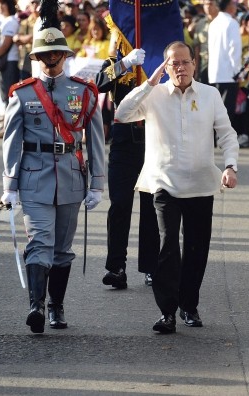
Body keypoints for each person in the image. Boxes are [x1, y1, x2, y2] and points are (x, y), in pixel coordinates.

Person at [114, 41, 239, 334]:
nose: (180, 68)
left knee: (196, 248)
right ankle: (167, 311)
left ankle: (189, 305)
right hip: (163, 183)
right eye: (173, 63)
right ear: (165, 67)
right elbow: (122, 113)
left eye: (185, 62)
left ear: (194, 64)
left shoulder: (209, 95)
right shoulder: (154, 94)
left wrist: (231, 165)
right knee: (167, 245)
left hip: (200, 184)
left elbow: (227, 133)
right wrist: (149, 83)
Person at [0, 1, 105, 334]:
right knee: (39, 243)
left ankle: (56, 305)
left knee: (62, 250)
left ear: (64, 55)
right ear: (37, 58)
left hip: (71, 177)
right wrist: (9, 186)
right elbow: (12, 141)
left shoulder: (84, 92)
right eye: (44, 55)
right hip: (34, 177)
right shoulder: (23, 94)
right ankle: (36, 306)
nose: (50, 60)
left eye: (55, 54)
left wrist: (97, 183)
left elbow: (96, 139)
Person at [95, 48, 160, 289]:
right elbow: (98, 84)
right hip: (124, 141)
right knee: (120, 205)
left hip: (154, 139)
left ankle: (152, 266)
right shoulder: (115, 62)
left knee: (151, 207)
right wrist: (125, 63)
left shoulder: (159, 57)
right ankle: (116, 267)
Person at [207, 0, 242, 130]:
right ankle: (225, 139)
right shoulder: (232, 23)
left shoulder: (213, 23)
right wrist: (238, 71)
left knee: (215, 109)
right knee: (227, 110)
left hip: (214, 73)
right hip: (229, 73)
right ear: (229, 6)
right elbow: (234, 50)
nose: (236, 6)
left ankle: (215, 138)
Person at [0, 0, 20, 139]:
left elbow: (6, 43)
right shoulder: (3, 21)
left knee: (9, 96)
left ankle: (8, 128)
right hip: (3, 62)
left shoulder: (11, 21)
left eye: (3, 3)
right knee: (4, 96)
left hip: (9, 62)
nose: (0, 6)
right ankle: (5, 126)